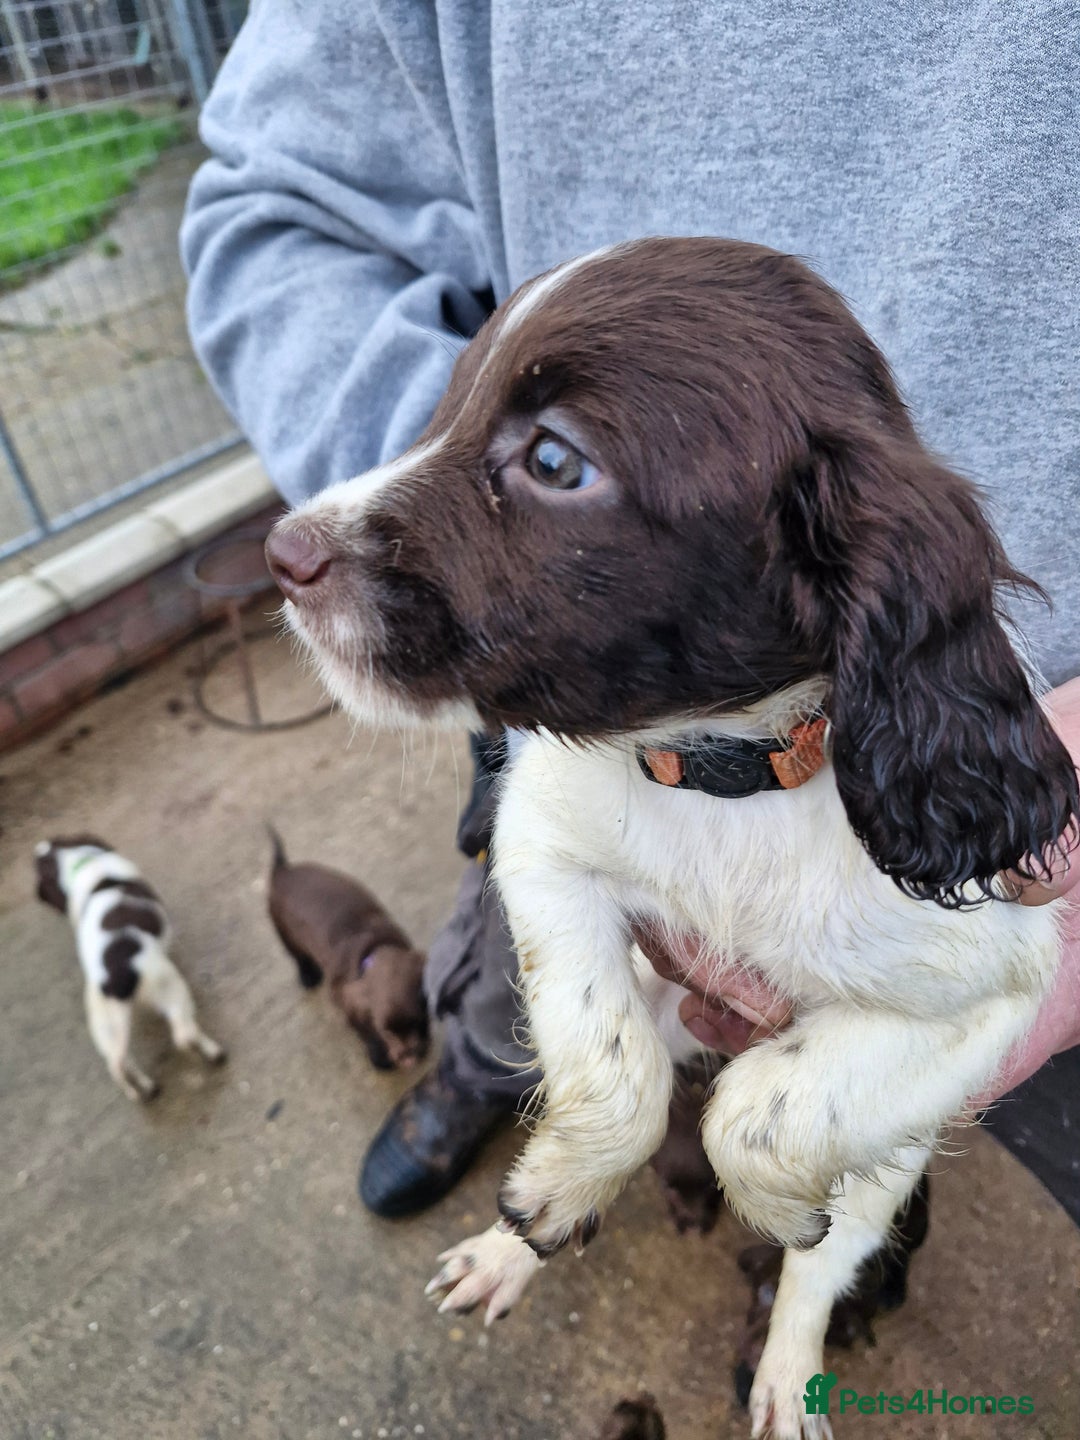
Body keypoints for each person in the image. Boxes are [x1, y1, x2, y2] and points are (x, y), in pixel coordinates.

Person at [181, 1, 1080, 1226]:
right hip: (583, 720)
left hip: (951, 749)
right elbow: (280, 209)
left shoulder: (890, 598)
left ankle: (827, 1233)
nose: (303, 542)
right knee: (531, 957)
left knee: (863, 1142)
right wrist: (459, 538)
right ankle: (487, 1074)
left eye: (554, 462)